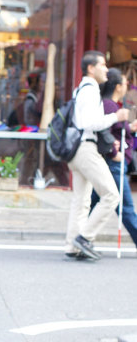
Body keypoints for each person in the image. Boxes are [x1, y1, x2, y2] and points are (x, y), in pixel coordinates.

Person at [64, 51, 129, 260]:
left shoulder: (81, 89)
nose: (106, 69)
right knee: (111, 195)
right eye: (102, 65)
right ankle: (84, 238)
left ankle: (73, 244)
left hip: (77, 149)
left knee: (81, 200)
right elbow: (89, 122)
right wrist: (115, 117)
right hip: (85, 148)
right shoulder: (90, 90)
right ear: (91, 68)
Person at [90, 68, 137, 249]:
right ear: (118, 86)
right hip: (114, 164)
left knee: (94, 202)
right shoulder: (110, 106)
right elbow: (104, 133)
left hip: (111, 163)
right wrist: (114, 153)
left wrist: (129, 128)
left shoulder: (111, 106)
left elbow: (113, 130)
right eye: (125, 83)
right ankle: (82, 236)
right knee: (125, 208)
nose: (127, 87)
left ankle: (81, 236)